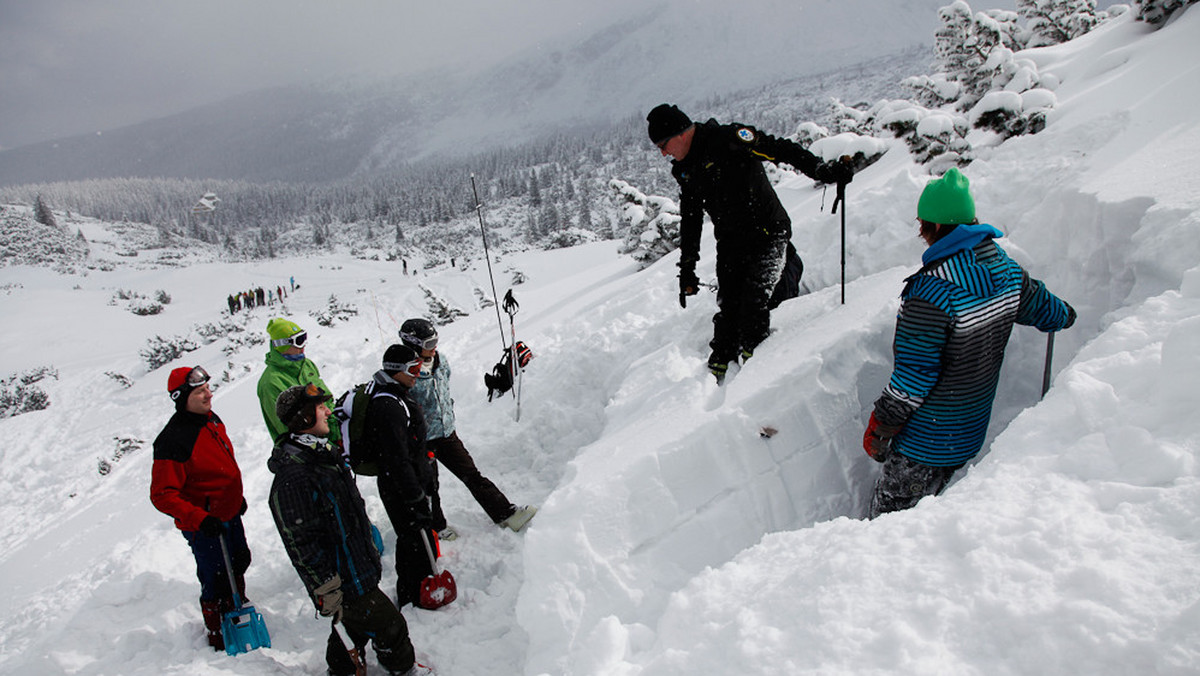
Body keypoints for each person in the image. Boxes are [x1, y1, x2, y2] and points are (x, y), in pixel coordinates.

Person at [863, 168, 1076, 518]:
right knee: (938, 512)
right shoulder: (1006, 271)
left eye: (921, 223)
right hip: (969, 433)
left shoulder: (931, 294)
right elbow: (1049, 310)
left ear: (929, 227)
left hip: (924, 443)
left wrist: (882, 426)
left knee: (887, 522)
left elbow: (914, 375)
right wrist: (1063, 314)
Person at [647, 103, 854, 383]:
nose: (663, 152)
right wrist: (687, 269)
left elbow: (780, 149)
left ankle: (759, 381)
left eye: (663, 144)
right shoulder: (685, 170)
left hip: (769, 231)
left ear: (681, 132)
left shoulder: (730, 139)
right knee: (730, 306)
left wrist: (821, 170)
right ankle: (717, 376)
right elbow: (691, 219)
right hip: (731, 243)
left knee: (756, 300)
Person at [268, 384, 433, 676]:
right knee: (390, 625)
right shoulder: (294, 476)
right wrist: (324, 586)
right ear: (304, 418)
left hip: (355, 565)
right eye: (320, 409)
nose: (329, 412)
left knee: (352, 625)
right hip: (342, 577)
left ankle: (341, 669)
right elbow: (300, 541)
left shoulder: (323, 454)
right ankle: (404, 670)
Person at [399, 318, 537, 540]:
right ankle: (436, 527)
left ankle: (506, 513)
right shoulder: (405, 371)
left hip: (446, 433)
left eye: (435, 341)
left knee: (471, 474)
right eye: (428, 344)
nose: (434, 347)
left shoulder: (440, 361)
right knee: (429, 486)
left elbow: (444, 386)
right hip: (422, 440)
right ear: (412, 344)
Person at [150, 365, 251, 651]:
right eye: (199, 392)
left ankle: (237, 606)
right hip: (204, 526)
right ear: (182, 397)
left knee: (239, 560)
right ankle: (218, 631)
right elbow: (162, 494)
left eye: (207, 388)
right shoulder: (173, 440)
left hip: (228, 514)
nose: (209, 394)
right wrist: (200, 517)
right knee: (215, 576)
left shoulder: (211, 420)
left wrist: (234, 497)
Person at [365, 343, 445, 607]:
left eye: (419, 366)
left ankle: (419, 586)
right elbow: (396, 459)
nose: (417, 372)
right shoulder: (388, 405)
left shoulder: (398, 393)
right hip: (400, 486)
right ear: (395, 370)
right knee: (412, 540)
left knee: (417, 538)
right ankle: (413, 593)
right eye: (412, 368)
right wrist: (414, 495)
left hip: (409, 481)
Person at [257, 318, 336, 443]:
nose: (303, 345)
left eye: (304, 338)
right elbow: (286, 427)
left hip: (333, 438)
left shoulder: (306, 365)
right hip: (310, 451)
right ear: (282, 344)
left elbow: (326, 400)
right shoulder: (271, 382)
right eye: (299, 341)